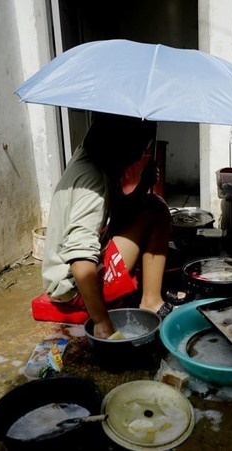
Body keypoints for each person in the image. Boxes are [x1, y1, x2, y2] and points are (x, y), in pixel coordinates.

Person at [42, 112, 172, 339]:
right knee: (156, 211)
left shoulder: (91, 158)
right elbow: (80, 257)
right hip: (73, 287)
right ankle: (151, 302)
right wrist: (101, 321)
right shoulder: (93, 179)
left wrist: (142, 186)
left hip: (66, 275)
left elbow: (118, 215)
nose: (142, 154)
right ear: (122, 141)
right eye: (141, 146)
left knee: (149, 204)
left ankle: (149, 297)